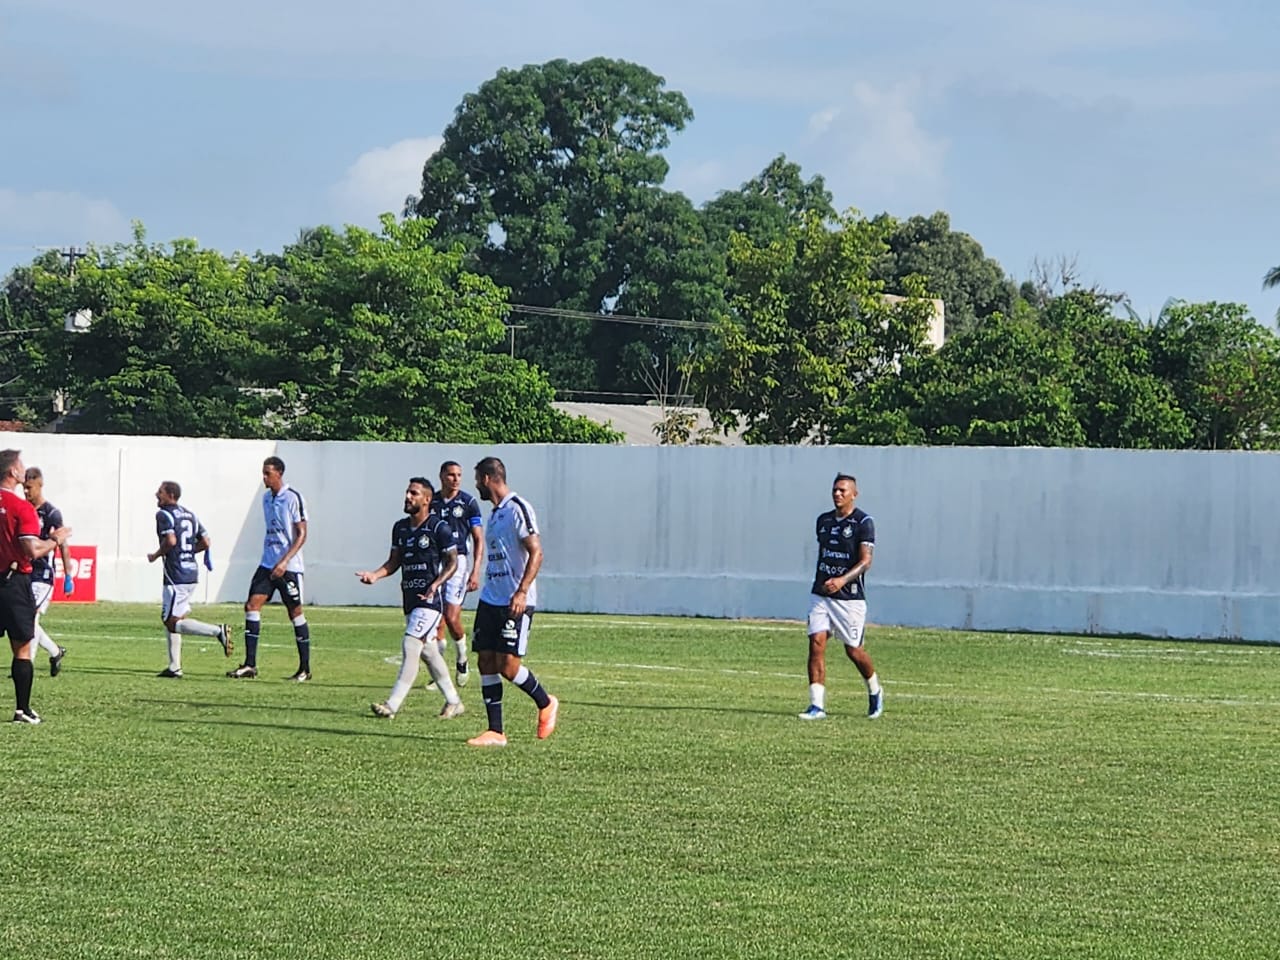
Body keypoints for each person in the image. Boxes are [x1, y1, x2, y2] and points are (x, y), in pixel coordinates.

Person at [465, 456, 558, 747]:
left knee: (508, 665)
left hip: (514, 600)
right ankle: (496, 731)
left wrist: (521, 591)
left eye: (477, 478)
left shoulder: (518, 508)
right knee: (485, 661)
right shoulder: (494, 513)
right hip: (491, 599)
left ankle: (546, 702)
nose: (476, 484)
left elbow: (537, 552)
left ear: (487, 479)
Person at [356, 477, 464, 720]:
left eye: (414, 493)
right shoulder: (400, 528)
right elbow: (394, 562)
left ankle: (392, 705)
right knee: (429, 653)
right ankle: (454, 701)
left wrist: (436, 583)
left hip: (430, 601)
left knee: (411, 644)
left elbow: (453, 562)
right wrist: (375, 575)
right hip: (410, 598)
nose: (408, 497)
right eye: (407, 492)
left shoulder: (439, 528)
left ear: (427, 499)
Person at [799, 473, 883, 721]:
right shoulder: (823, 521)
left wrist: (842, 580)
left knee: (854, 651)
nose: (838, 494)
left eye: (843, 491)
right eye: (835, 490)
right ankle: (817, 705)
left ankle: (875, 690)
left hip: (849, 597)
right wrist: (826, 581)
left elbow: (866, 561)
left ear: (854, 494)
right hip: (821, 594)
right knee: (816, 643)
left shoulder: (863, 522)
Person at [1, 450, 71, 724]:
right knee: (22, 647)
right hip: (13, 582)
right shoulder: (21, 508)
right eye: (20, 465)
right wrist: (55, 539)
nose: (23, 469)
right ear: (12, 473)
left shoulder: (43, 508)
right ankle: (22, 710)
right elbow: (31, 549)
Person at [227, 456, 311, 681]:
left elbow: (302, 534)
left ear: (279, 474)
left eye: (268, 473)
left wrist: (285, 561)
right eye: (263, 473)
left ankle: (304, 669)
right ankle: (250, 665)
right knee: (251, 605)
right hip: (267, 564)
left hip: (289, 566)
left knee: (295, 612)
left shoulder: (293, 498)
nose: (264, 477)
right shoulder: (266, 499)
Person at [146, 481, 232, 677]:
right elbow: (206, 541)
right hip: (191, 572)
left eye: (160, 492)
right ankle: (174, 667)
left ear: (170, 495)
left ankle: (218, 631)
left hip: (176, 575)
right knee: (177, 617)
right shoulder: (190, 514)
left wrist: (156, 555)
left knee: (169, 621)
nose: (156, 495)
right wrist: (188, 552)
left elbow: (171, 541)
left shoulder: (163, 514)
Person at [428, 460, 484, 687]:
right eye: (451, 475)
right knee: (436, 620)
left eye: (459, 475)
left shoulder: (469, 502)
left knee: (451, 617)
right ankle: (439, 674)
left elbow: (478, 538)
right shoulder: (431, 500)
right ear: (442, 476)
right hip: (435, 560)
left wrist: (475, 571)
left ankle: (462, 657)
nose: (456, 479)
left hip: (458, 563)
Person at [22, 467, 72, 676]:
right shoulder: (23, 509)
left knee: (30, 617)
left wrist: (68, 574)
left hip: (42, 575)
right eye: (24, 487)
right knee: (22, 618)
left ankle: (26, 664)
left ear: (40, 485)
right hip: (24, 572)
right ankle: (55, 651)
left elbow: (62, 543)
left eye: (29, 488)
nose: (26, 492)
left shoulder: (51, 512)